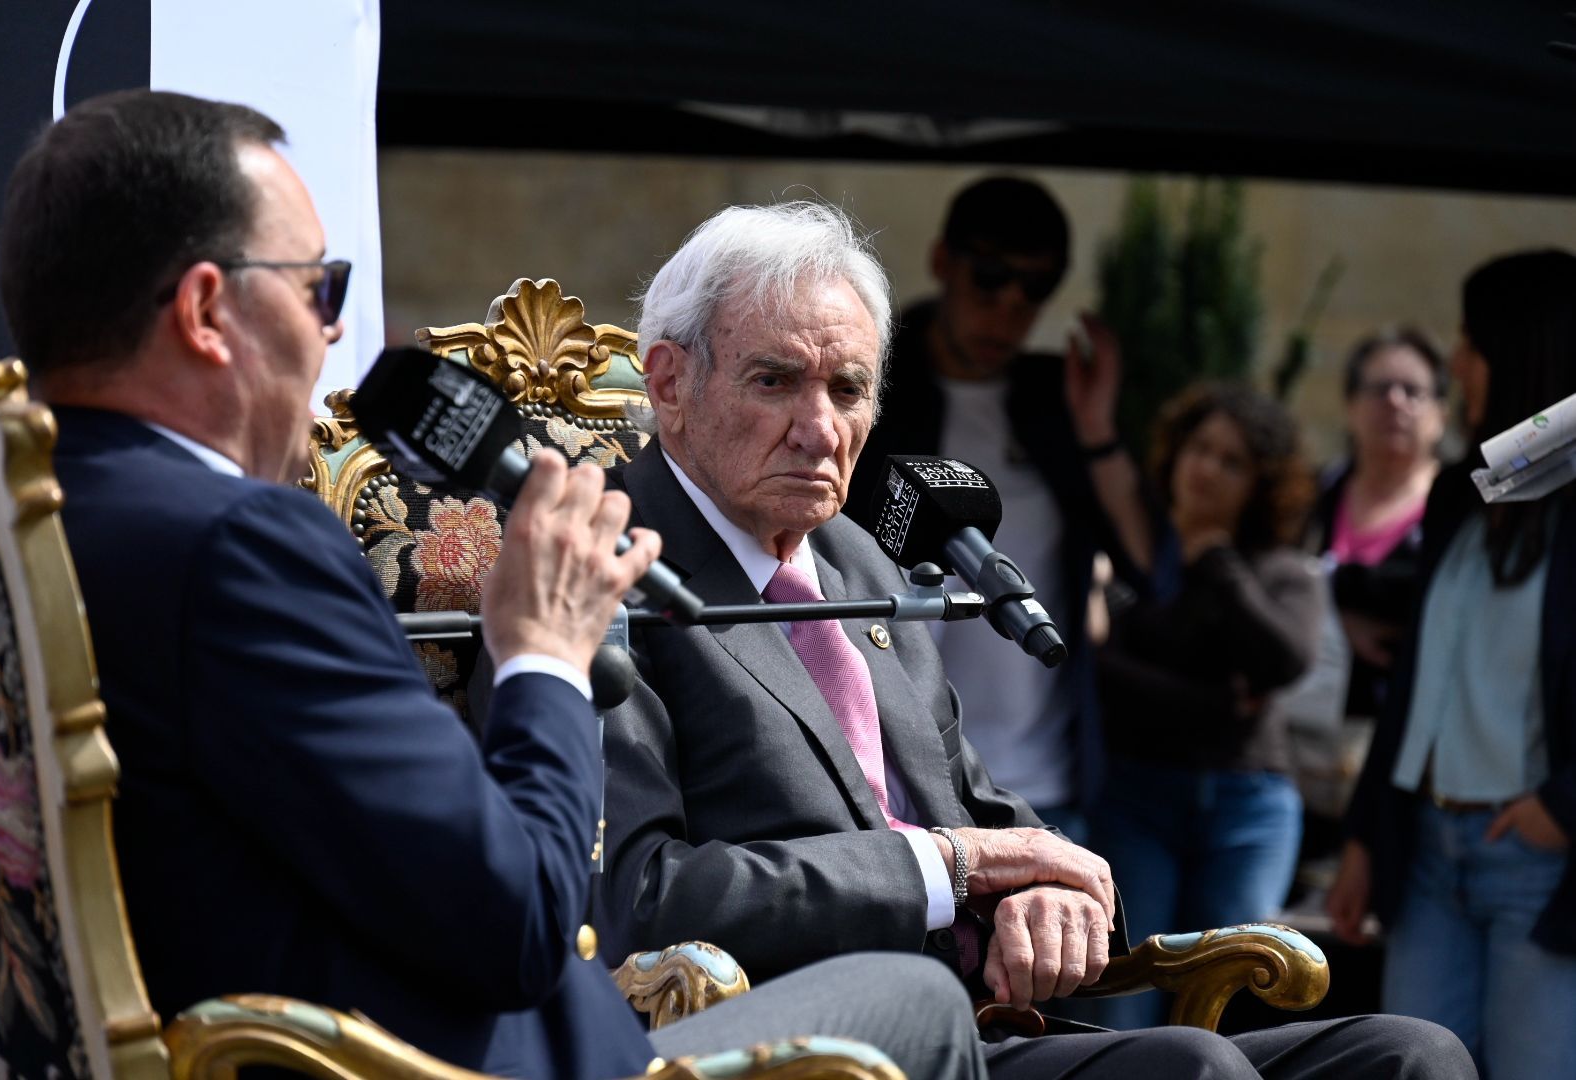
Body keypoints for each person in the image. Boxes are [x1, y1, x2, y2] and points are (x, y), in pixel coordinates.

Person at [0, 89, 991, 1080]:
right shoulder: (238, 546)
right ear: (208, 310)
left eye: (849, 389)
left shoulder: (12, 524)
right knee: (916, 1003)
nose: (333, 340)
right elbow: (518, 922)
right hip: (480, 1061)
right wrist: (548, 657)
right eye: (319, 292)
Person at [600, 199, 1473, 1079]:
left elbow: (974, 806)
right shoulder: (598, 566)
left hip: (988, 1027)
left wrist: (1049, 884)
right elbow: (637, 897)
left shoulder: (856, 558)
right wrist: (946, 866)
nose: (821, 429)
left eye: (848, 389)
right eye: (775, 380)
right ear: (670, 384)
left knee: (1410, 1056)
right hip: (815, 1046)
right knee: (1196, 1071)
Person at [1328, 251, 1576, 1078]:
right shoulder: (1471, 493)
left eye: (1472, 339)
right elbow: (1418, 686)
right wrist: (1370, 832)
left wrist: (1564, 806)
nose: (1458, 361)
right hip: (1429, 849)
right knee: (1414, 1065)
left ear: (1524, 348)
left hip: (1539, 859)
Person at [849, 176, 1139, 841]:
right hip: (890, 778)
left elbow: (1153, 566)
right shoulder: (869, 389)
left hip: (1042, 786)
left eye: (1034, 288)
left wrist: (1098, 429)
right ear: (943, 262)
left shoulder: (1055, 402)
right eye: (989, 277)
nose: (1008, 307)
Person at [1078, 382, 1320, 1029]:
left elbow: (1285, 659)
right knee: (1122, 997)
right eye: (1200, 448)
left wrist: (1215, 557)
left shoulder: (1276, 571)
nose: (1207, 468)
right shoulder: (1133, 559)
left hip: (1248, 807)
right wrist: (1213, 701)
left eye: (1232, 461)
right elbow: (1097, 671)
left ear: (1262, 484)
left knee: (1232, 994)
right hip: (1138, 800)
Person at [1296, 330, 1447, 857]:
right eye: (1379, 388)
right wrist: (1341, 619)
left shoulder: (1456, 512)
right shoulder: (1313, 498)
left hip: (1403, 755)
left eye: (1413, 390)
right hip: (1303, 744)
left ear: (1441, 413)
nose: (1395, 403)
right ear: (1350, 404)